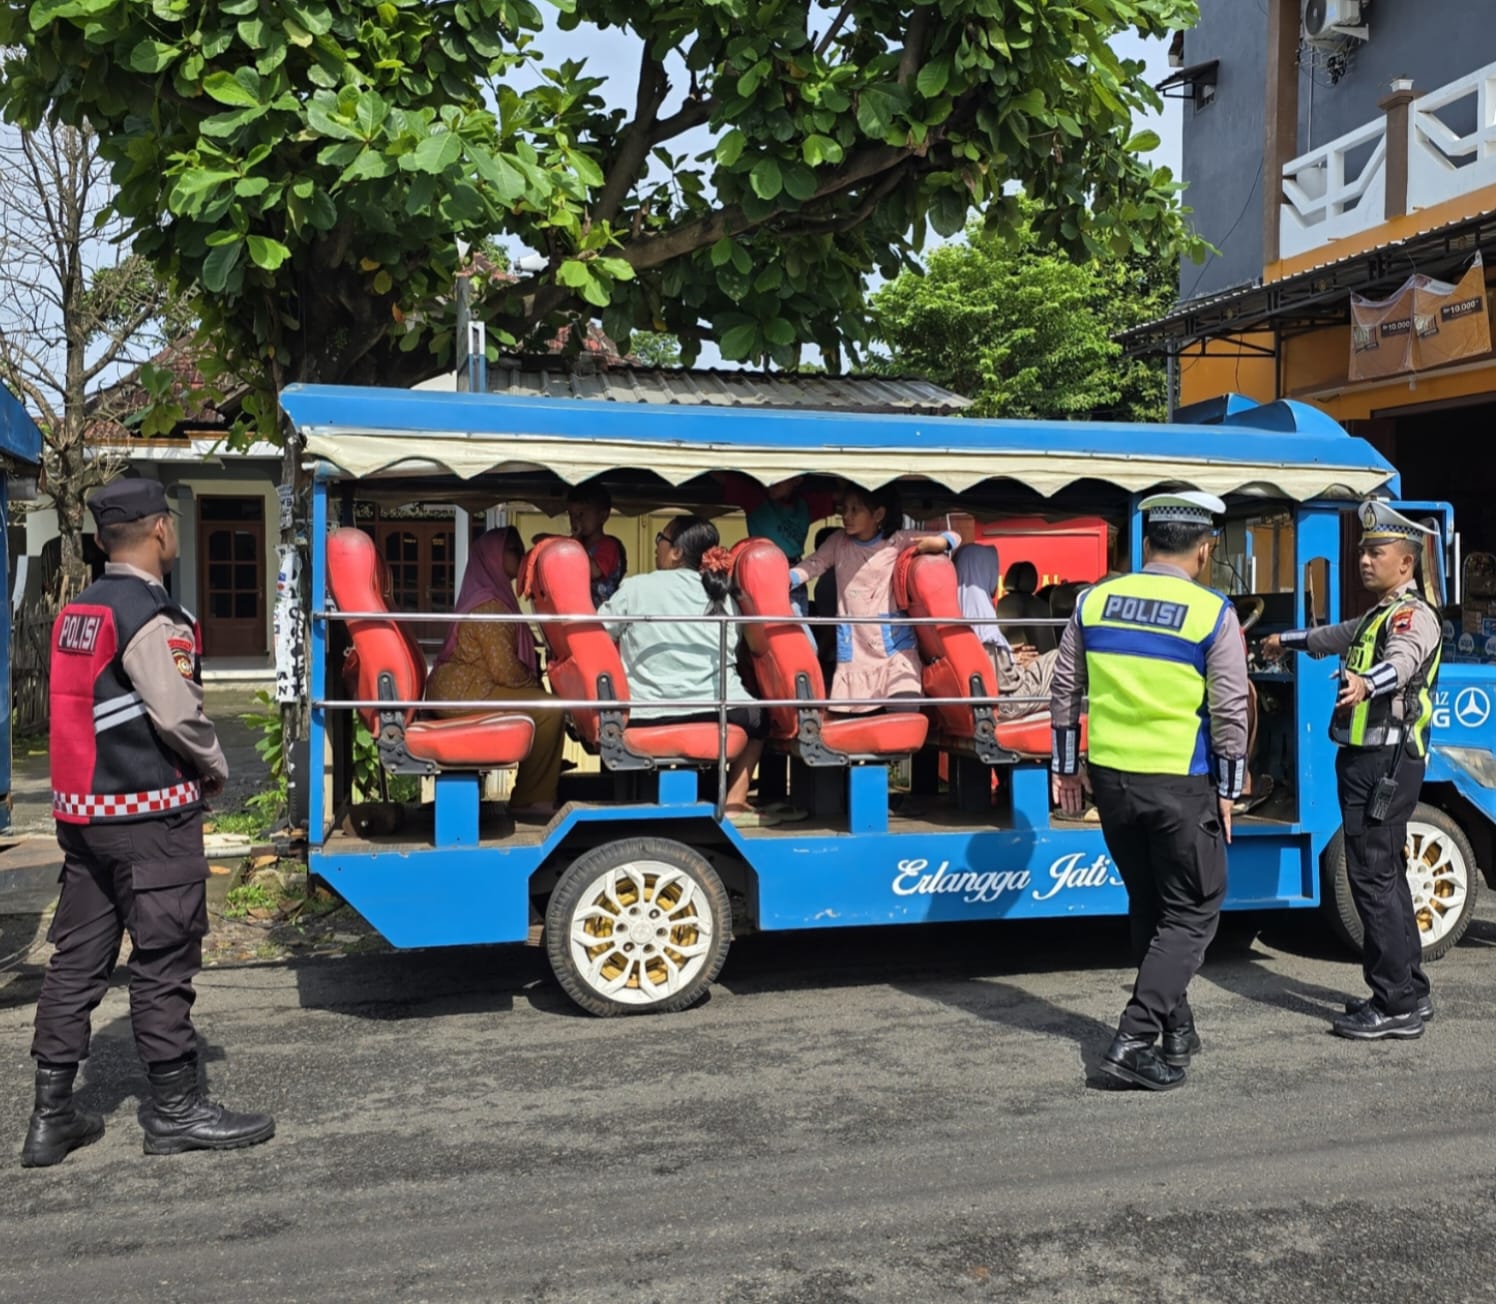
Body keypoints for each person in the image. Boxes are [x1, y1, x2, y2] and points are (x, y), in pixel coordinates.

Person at [23, 480, 273, 1167]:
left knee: (76, 961)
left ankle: (50, 1118)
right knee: (164, 960)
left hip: (83, 814)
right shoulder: (152, 614)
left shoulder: (80, 609)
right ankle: (175, 1111)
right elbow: (178, 713)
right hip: (148, 812)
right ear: (160, 530)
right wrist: (215, 765)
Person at [1049, 491, 1249, 1092]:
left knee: (1151, 905)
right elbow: (1231, 709)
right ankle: (1133, 1041)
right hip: (1180, 784)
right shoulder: (1211, 612)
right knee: (1193, 913)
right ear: (1205, 548)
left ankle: (1176, 1027)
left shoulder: (1094, 601)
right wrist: (1230, 790)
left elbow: (1064, 688)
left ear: (1146, 543)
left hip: (1111, 782)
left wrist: (1065, 769)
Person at [1260, 499, 1442, 1041]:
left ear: (1405, 563)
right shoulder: (1378, 614)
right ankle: (1410, 987)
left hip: (1381, 763)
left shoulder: (1412, 617)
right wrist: (1284, 640)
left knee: (1370, 878)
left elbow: (1402, 661)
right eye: (1363, 550)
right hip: (1373, 761)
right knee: (1385, 876)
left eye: (1376, 551)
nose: (1365, 559)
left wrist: (1367, 684)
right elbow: (1332, 637)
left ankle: (1394, 1004)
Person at [597, 516, 770, 824]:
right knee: (762, 717)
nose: (656, 549)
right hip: (719, 708)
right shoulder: (724, 596)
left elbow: (599, 633)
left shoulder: (637, 587)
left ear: (676, 552)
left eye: (659, 541)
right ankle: (734, 800)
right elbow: (759, 647)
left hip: (645, 710)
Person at [426, 526, 566, 819]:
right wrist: (534, 684)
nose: (522, 554)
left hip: (473, 687)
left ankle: (540, 777)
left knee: (545, 703)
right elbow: (504, 670)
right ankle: (530, 799)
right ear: (493, 557)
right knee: (550, 710)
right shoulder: (489, 606)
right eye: (514, 549)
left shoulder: (496, 598)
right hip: (464, 691)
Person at [788, 483, 960, 716]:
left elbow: (954, 536)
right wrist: (785, 579)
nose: (845, 516)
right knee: (853, 722)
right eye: (844, 509)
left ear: (878, 514)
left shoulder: (897, 540)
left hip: (893, 648)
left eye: (855, 510)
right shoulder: (838, 542)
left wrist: (940, 543)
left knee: (905, 710)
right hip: (855, 651)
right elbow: (813, 564)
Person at [954, 543, 1057, 720]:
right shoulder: (982, 616)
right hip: (1007, 702)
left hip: (982, 697)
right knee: (1060, 656)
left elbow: (982, 663)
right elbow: (1005, 682)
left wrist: (1010, 657)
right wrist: (1024, 666)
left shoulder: (956, 610)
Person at [716, 472, 839, 615]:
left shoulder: (804, 506)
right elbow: (720, 475)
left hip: (796, 574)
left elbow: (841, 495)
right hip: (761, 574)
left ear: (797, 480)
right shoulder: (755, 498)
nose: (770, 483)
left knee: (797, 628)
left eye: (778, 479)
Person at [567, 481, 627, 606]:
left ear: (603, 516)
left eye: (581, 514)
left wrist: (576, 540)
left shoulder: (609, 545)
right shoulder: (573, 543)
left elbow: (594, 572)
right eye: (571, 514)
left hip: (602, 616)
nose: (575, 520)